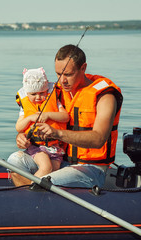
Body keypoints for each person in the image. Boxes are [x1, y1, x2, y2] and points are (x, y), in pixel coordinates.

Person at [8, 44, 123, 188]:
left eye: (68, 74)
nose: (62, 80)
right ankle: (31, 199)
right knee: (14, 161)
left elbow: (99, 138)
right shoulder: (55, 92)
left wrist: (57, 133)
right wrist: (21, 136)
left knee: (44, 183)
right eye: (58, 74)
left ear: (83, 68)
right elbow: (29, 117)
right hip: (59, 159)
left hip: (91, 168)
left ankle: (30, 197)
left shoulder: (105, 96)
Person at [8, 67, 69, 185]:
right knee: (46, 167)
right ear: (27, 93)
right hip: (37, 147)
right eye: (33, 94)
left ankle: (39, 190)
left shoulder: (53, 99)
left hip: (55, 148)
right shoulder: (25, 107)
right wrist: (30, 118)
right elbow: (19, 127)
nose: (38, 97)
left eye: (42, 93)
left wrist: (48, 115)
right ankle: (32, 187)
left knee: (54, 171)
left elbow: (65, 117)